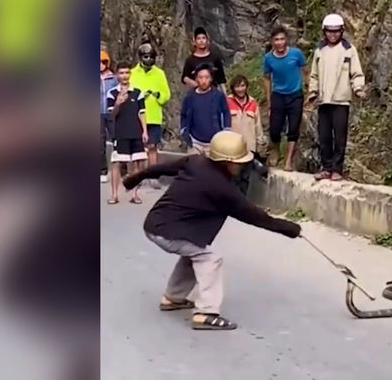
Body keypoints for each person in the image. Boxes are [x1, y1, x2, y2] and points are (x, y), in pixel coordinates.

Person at [122, 131, 302, 330]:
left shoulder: (196, 162)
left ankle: (173, 297)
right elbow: (255, 216)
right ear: (226, 162)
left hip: (156, 223)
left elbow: (161, 168)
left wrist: (134, 179)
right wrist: (290, 228)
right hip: (167, 231)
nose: (241, 166)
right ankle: (206, 312)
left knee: (196, 250)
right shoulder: (221, 188)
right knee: (210, 257)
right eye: (238, 162)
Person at [307, 14, 366, 181]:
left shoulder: (349, 50)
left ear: (341, 31)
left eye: (336, 31)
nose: (332, 35)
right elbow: (314, 75)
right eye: (329, 32)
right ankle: (326, 167)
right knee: (324, 135)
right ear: (324, 32)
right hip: (324, 100)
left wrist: (358, 88)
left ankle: (337, 169)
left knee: (340, 137)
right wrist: (313, 92)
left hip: (341, 100)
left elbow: (356, 73)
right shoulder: (320, 50)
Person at [262, 25, 308, 171]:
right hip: (278, 95)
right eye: (276, 40)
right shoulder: (268, 58)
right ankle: (276, 149)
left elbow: (306, 71)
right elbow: (266, 78)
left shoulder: (296, 54)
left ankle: (288, 161)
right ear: (272, 41)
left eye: (282, 39)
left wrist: (309, 90)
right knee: (275, 129)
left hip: (295, 95)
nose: (280, 42)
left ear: (286, 40)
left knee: (293, 129)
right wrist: (269, 99)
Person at [106, 61, 148, 204]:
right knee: (116, 163)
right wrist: (118, 102)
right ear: (117, 75)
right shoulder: (112, 93)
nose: (124, 76)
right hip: (120, 132)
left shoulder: (138, 92)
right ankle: (114, 195)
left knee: (138, 163)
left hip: (136, 132)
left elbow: (142, 113)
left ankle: (135, 194)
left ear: (130, 74)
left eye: (127, 73)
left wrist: (145, 131)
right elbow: (111, 115)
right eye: (122, 73)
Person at [130, 43, 171, 189]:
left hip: (154, 115)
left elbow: (166, 94)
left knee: (153, 146)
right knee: (138, 147)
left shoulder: (159, 73)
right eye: (146, 56)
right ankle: (138, 176)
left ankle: (153, 176)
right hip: (137, 116)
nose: (148, 59)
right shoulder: (133, 73)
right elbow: (129, 92)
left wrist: (158, 95)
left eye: (151, 57)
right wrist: (139, 97)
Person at [227, 74, 268, 195]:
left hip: (249, 148)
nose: (240, 89)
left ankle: (241, 204)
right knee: (233, 177)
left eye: (242, 86)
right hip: (232, 148)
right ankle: (231, 203)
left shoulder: (253, 103)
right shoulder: (227, 102)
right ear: (233, 88)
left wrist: (260, 145)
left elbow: (258, 126)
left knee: (245, 178)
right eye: (237, 86)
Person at [180, 63, 231, 155]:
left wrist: (225, 131)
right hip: (195, 142)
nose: (204, 81)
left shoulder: (218, 95)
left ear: (211, 78)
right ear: (196, 78)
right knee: (193, 167)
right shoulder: (190, 96)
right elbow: (183, 114)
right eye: (200, 77)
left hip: (214, 142)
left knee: (212, 168)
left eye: (207, 77)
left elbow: (226, 113)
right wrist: (184, 130)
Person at [181, 26, 227, 92]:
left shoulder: (215, 58)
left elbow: (221, 80)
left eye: (203, 38)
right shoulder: (190, 60)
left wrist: (225, 96)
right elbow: (184, 78)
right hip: (197, 95)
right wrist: (195, 84)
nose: (201, 41)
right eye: (198, 38)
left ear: (207, 40)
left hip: (213, 94)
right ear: (194, 42)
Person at [100, 50, 118, 183]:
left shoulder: (114, 78)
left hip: (112, 112)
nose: (101, 65)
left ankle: (120, 169)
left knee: (117, 138)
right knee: (100, 143)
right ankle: (102, 170)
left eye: (103, 62)